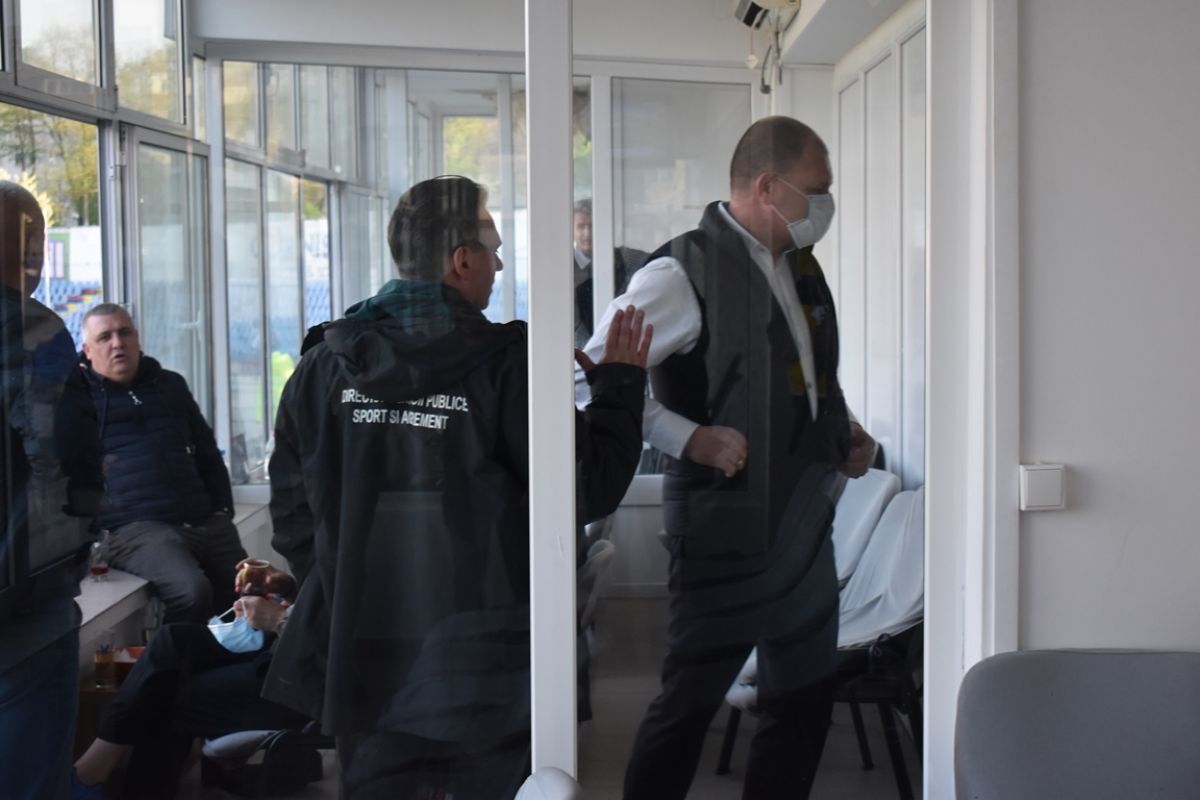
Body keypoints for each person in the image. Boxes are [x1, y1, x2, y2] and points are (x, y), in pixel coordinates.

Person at [261, 175, 652, 799]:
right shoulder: (509, 368)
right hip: (488, 661)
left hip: (365, 661)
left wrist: (346, 585)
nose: (499, 265)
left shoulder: (322, 366)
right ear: (461, 259)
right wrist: (621, 386)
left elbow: (290, 508)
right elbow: (588, 488)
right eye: (493, 249)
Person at [579, 116, 878, 799]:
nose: (826, 204)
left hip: (804, 530)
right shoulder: (677, 274)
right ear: (768, 187)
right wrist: (690, 437)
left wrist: (847, 436)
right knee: (690, 704)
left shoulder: (802, 267)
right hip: (722, 533)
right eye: (817, 190)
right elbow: (587, 378)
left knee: (802, 703)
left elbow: (810, 380)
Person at [0, 181, 103, 800]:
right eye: (31, 243)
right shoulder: (32, 333)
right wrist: (70, 559)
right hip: (23, 618)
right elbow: (64, 468)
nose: (37, 258)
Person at [70, 562, 306, 800]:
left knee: (167, 693)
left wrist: (278, 620)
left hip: (305, 682)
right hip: (286, 651)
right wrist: (287, 589)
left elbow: (328, 651)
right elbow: (321, 606)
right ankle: (93, 769)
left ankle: (88, 775)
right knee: (171, 640)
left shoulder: (330, 546)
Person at [79, 303, 247, 624]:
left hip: (203, 521)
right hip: (134, 530)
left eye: (124, 333)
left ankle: (236, 659)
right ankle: (177, 657)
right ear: (88, 350)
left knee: (251, 593)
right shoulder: (76, 401)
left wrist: (221, 510)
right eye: (104, 337)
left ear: (137, 338)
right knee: (191, 592)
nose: (117, 343)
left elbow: (207, 451)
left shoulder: (170, 385)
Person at [572, 198, 648, 348]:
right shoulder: (563, 269)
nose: (587, 233)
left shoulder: (626, 259)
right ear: (571, 229)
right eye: (581, 226)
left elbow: (654, 262)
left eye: (592, 226)